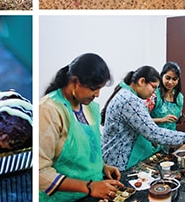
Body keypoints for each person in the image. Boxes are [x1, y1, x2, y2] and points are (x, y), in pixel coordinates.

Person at [39, 53, 123, 202]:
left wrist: (101, 167)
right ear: (75, 82)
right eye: (93, 88)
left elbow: (85, 150)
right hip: (64, 198)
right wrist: (89, 186)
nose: (97, 94)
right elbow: (40, 172)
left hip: (93, 193)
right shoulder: (49, 110)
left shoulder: (89, 107)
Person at [101, 66, 185, 170]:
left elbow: (174, 121)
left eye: (174, 79)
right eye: (153, 87)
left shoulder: (179, 97)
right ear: (142, 81)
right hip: (120, 160)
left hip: (159, 143)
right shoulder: (131, 100)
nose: (154, 92)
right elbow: (152, 131)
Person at [131, 62, 185, 160]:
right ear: (162, 76)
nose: (170, 82)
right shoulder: (153, 94)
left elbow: (177, 121)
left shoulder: (179, 97)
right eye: (168, 78)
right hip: (152, 142)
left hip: (171, 141)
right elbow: (142, 122)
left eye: (174, 79)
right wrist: (161, 120)